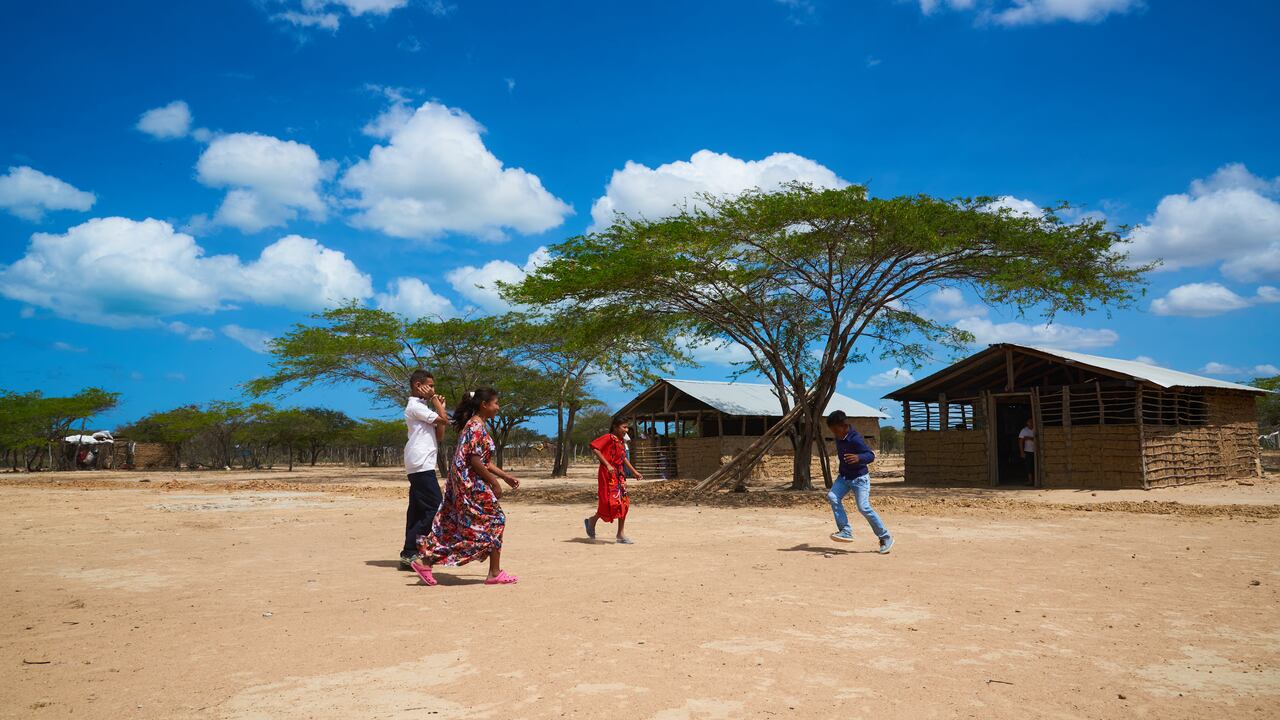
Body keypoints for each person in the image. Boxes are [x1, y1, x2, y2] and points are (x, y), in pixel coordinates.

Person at [411, 387, 523, 586]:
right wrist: (494, 482)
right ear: (484, 405)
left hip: (465, 483)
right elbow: (475, 461)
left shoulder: (475, 425)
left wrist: (505, 476)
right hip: (469, 484)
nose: (498, 407)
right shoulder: (475, 427)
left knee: (459, 527)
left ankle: (425, 561)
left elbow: (484, 461)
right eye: (495, 403)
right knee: (496, 520)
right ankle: (494, 572)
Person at [399, 370, 449, 570]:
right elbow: (445, 420)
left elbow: (440, 435)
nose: (433, 390)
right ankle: (419, 549)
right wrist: (436, 401)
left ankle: (408, 552)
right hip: (420, 464)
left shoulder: (422, 407)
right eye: (431, 385)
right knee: (435, 507)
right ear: (418, 385)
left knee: (418, 509)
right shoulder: (415, 406)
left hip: (422, 463)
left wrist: (440, 407)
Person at [825, 411, 893, 553]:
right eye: (832, 431)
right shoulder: (839, 438)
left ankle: (885, 537)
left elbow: (870, 455)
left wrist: (859, 458)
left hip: (859, 479)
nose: (834, 434)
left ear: (844, 426)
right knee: (832, 496)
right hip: (844, 478)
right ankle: (845, 531)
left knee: (863, 507)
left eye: (836, 430)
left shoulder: (855, 439)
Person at [584, 418, 643, 543]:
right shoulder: (608, 437)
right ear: (616, 427)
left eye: (627, 427)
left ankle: (620, 534)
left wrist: (634, 472)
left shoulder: (621, 442)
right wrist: (607, 465)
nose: (626, 430)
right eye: (624, 427)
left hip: (619, 475)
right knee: (609, 503)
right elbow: (595, 447)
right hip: (607, 474)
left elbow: (623, 458)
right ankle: (592, 521)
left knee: (623, 503)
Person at [1018, 417, 1036, 486]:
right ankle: (1030, 480)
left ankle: (1036, 480)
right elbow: (1020, 442)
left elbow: (1038, 438)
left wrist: (1028, 438)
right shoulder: (1024, 430)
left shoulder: (1036, 429)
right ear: (1027, 423)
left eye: (1032, 422)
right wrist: (1022, 452)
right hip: (1027, 451)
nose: (1030, 423)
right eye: (1029, 422)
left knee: (1035, 465)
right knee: (1028, 466)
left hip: (1036, 451)